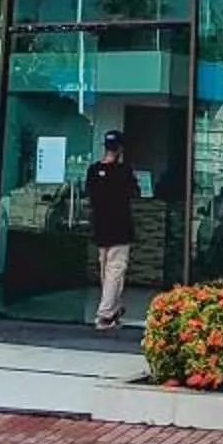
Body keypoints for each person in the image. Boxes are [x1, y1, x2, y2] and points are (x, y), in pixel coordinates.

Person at [84, 129, 137, 332]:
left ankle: (113, 309)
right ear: (121, 148)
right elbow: (134, 191)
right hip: (120, 227)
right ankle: (105, 315)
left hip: (100, 227)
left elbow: (90, 195)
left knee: (107, 270)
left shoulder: (93, 170)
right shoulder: (124, 171)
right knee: (115, 270)